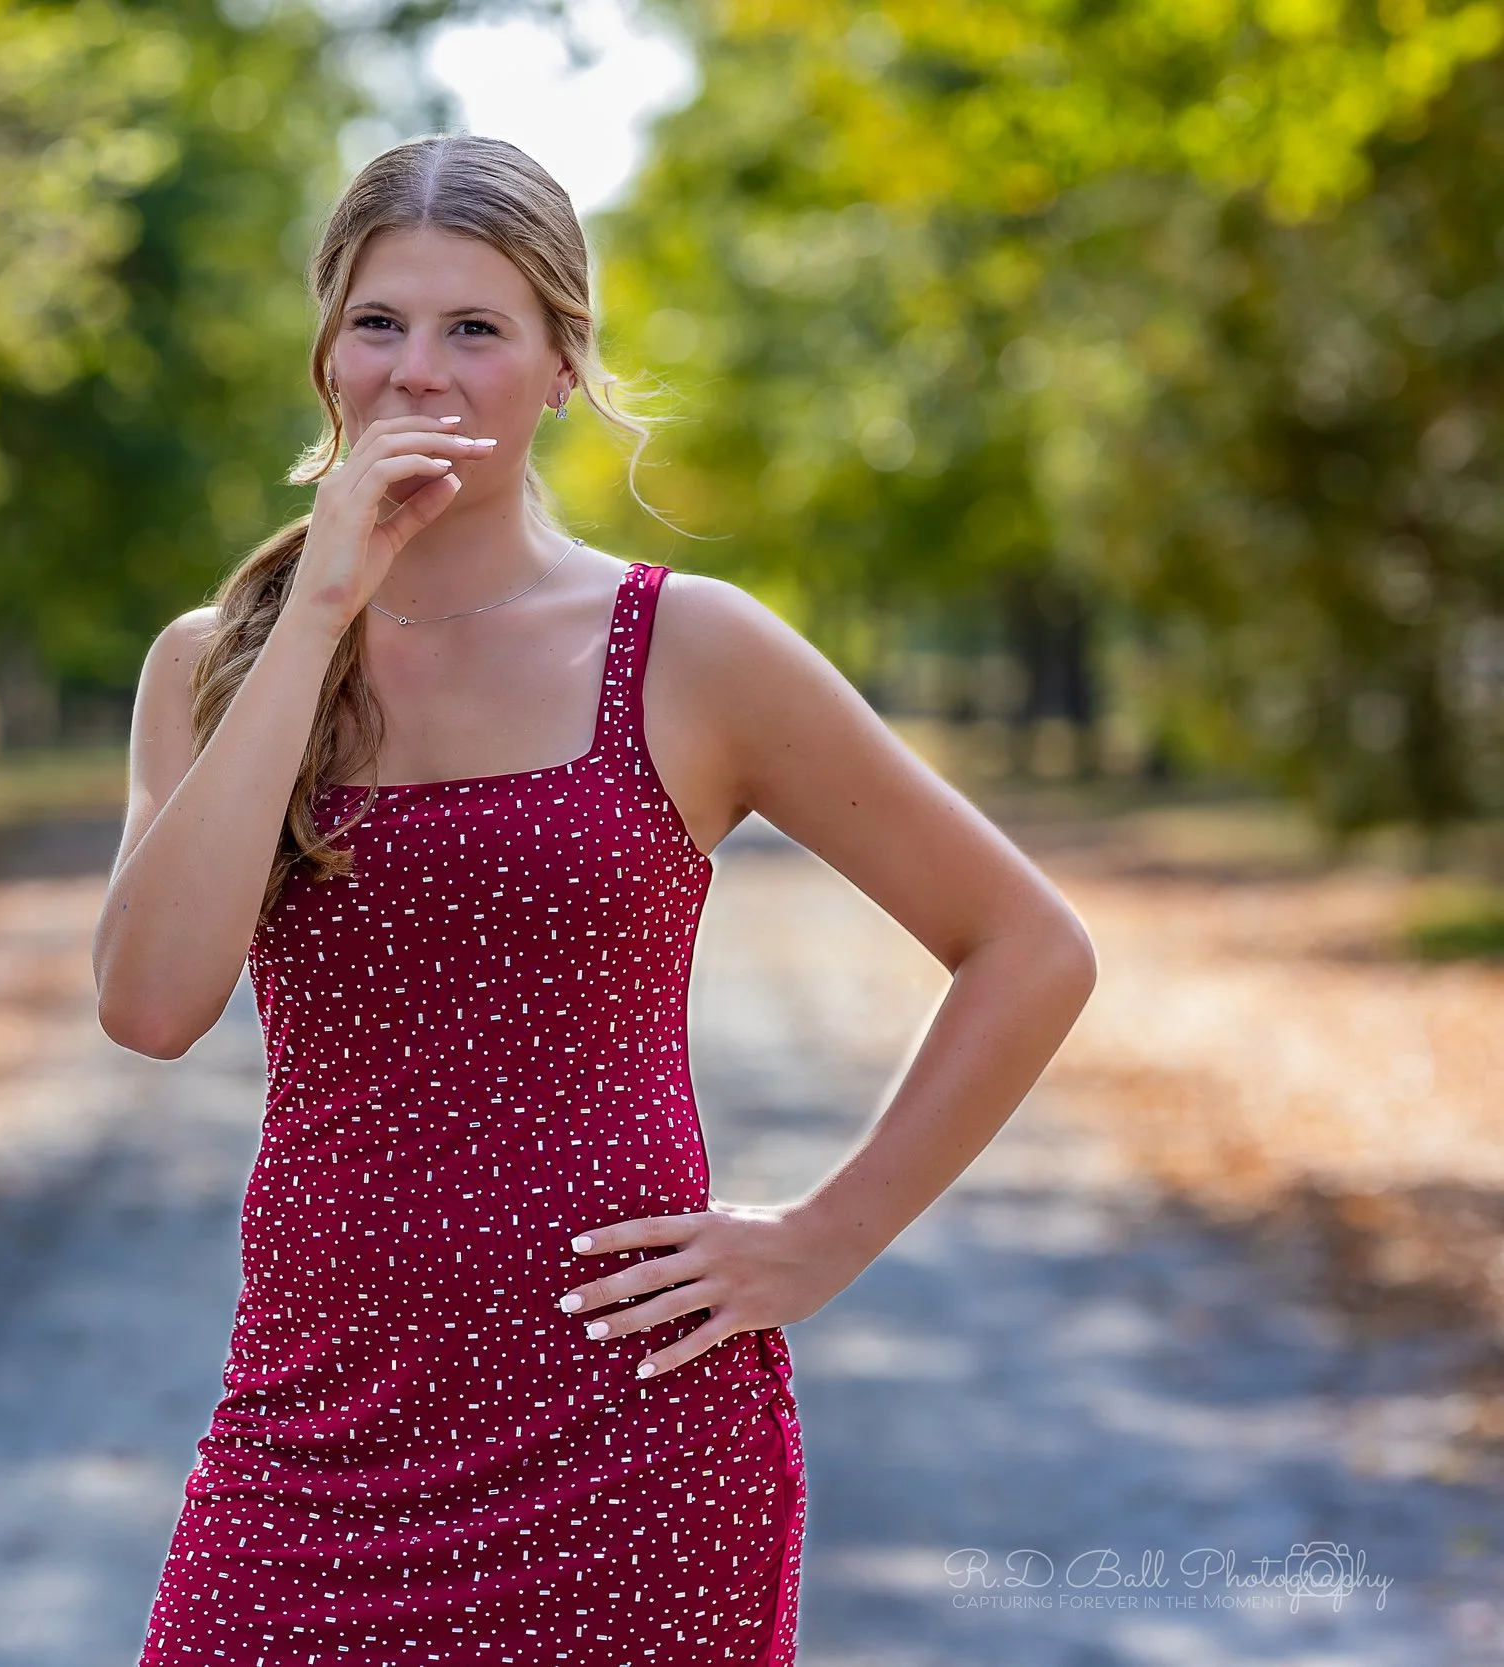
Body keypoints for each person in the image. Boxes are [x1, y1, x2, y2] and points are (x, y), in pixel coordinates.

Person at [92, 132, 1097, 1666]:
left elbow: (1030, 946)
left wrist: (825, 1238)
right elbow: (153, 1006)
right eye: (380, 323)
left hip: (634, 1449)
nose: (419, 372)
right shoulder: (213, 660)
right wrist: (319, 615)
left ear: (564, 361)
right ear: (325, 355)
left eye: (477, 328)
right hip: (307, 1441)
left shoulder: (692, 649)